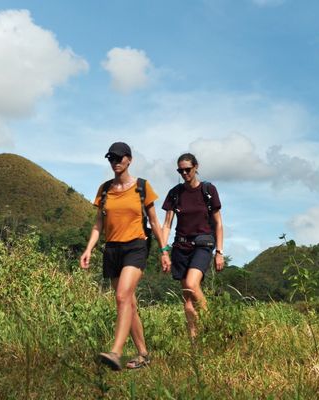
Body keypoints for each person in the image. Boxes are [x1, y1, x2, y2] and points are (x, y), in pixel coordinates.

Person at [80, 142, 170, 371]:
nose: (115, 162)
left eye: (119, 158)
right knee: (128, 302)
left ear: (129, 159)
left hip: (136, 246)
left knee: (122, 297)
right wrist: (89, 248)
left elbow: (154, 222)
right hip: (112, 249)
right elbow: (98, 224)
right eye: (111, 158)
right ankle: (143, 355)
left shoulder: (142, 187)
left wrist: (163, 250)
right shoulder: (105, 190)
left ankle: (115, 352)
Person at [160, 153, 224, 340]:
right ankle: (195, 342)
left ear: (196, 167)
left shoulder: (208, 190)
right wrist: (163, 250)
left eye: (188, 169)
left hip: (203, 244)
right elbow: (166, 225)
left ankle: (212, 324)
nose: (184, 173)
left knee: (191, 283)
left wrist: (219, 251)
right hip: (181, 246)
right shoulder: (175, 193)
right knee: (187, 300)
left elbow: (218, 223)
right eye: (180, 170)